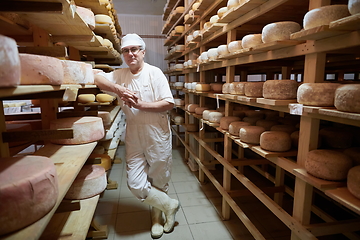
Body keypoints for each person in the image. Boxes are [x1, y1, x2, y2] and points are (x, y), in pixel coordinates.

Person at [94, 33, 179, 238]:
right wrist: (118, 89)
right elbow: (95, 76)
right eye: (126, 50)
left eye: (134, 49)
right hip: (133, 132)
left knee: (159, 178)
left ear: (143, 52)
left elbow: (169, 103)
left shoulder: (154, 73)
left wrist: (141, 105)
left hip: (156, 132)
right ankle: (170, 205)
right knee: (135, 182)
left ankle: (157, 219)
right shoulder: (121, 75)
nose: (130, 54)